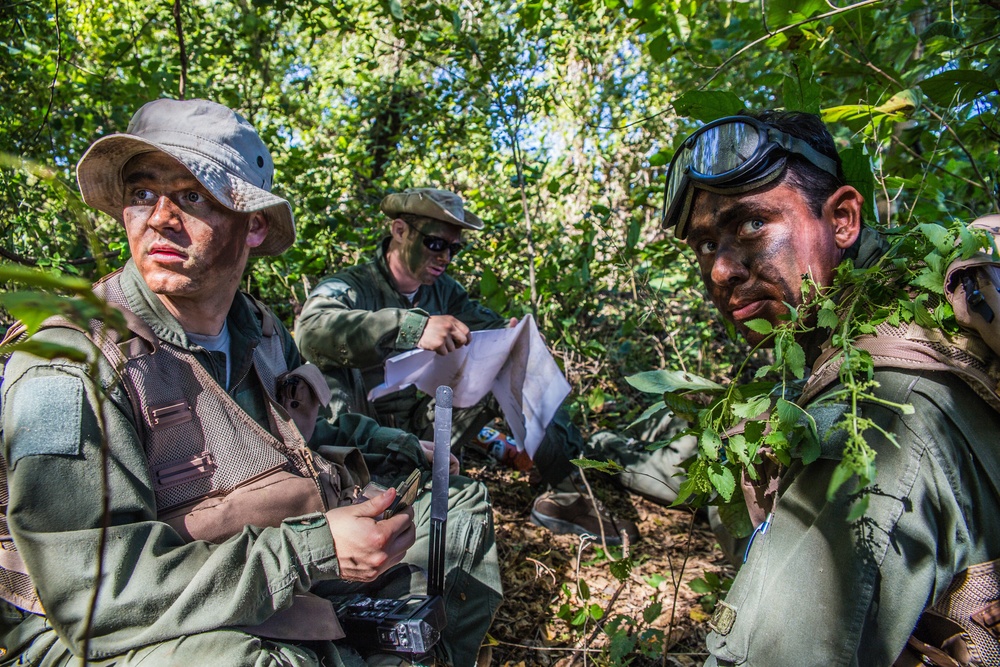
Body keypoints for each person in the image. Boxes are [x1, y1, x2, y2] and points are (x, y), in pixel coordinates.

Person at [0, 99, 500, 667]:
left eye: (192, 196)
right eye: (141, 194)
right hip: (103, 629)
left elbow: (311, 430)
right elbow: (91, 600)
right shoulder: (70, 363)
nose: (159, 217)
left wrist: (403, 446)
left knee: (456, 513)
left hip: (255, 565)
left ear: (254, 224)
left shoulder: (257, 330)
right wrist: (315, 549)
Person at [662, 111, 1000, 666]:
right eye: (704, 245)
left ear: (842, 219)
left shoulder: (875, 420)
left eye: (751, 225)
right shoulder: (863, 330)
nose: (720, 270)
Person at [295, 188, 638, 545]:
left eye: (453, 249)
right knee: (330, 366)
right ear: (399, 231)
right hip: (361, 436)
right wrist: (412, 328)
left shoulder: (445, 292)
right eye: (434, 243)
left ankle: (566, 496)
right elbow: (312, 331)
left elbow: (487, 327)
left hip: (423, 427)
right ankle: (351, 496)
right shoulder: (351, 287)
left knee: (516, 359)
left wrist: (511, 337)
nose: (445, 257)